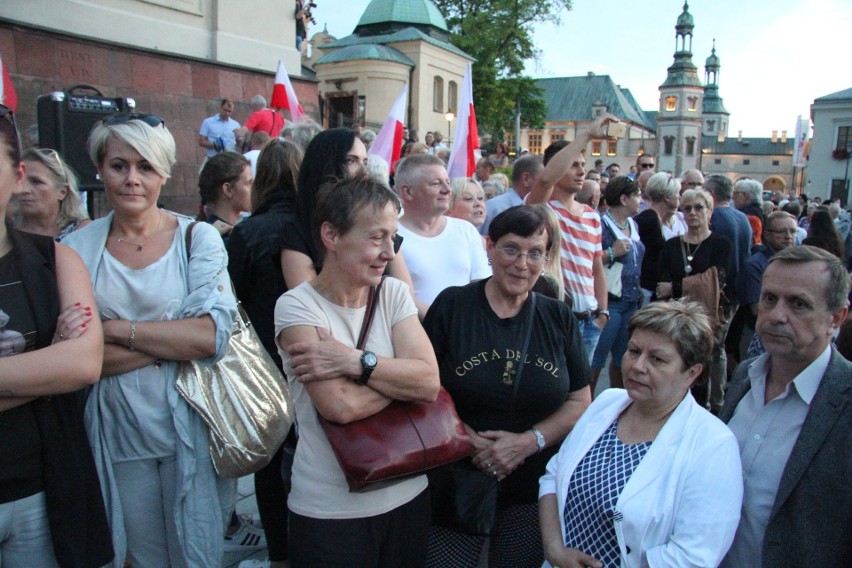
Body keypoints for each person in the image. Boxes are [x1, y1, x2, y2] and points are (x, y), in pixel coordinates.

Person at [63, 113, 237, 567]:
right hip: (119, 432)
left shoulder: (198, 239)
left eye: (146, 167)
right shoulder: (77, 248)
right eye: (119, 165)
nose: (132, 179)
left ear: (164, 172)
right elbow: (79, 360)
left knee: (197, 554)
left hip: (194, 431)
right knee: (142, 558)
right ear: (100, 169)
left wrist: (114, 331)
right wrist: (168, 335)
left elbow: (209, 336)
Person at [274, 175, 439, 566]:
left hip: (408, 493)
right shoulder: (298, 307)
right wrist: (401, 379)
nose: (388, 252)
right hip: (331, 511)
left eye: (393, 238)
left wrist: (356, 362)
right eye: (375, 237)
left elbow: (429, 383)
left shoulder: (393, 293)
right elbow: (339, 406)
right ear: (331, 236)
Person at [423, 206, 591, 568]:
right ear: (489, 247)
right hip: (459, 479)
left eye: (535, 253)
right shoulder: (452, 306)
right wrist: (470, 441)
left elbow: (580, 398)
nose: (523, 264)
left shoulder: (557, 316)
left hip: (532, 485)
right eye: (511, 249)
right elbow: (425, 389)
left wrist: (529, 442)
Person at [539, 301, 743, 568]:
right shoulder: (607, 402)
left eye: (657, 359)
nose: (637, 366)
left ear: (692, 373)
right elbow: (554, 476)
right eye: (633, 351)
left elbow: (693, 558)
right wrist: (554, 550)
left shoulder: (713, 445)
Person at [0, 104, 113, 568]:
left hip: (39, 489)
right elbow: (62, 368)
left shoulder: (57, 260)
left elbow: (83, 363)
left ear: (17, 174)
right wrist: (43, 367)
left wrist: (61, 364)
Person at [719, 245, 851, 568]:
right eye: (769, 299)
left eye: (798, 304)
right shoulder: (744, 376)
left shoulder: (844, 399)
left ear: (835, 318)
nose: (777, 315)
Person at [227, 138, 304, 568]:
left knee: (270, 464)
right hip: (310, 356)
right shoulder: (315, 222)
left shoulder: (247, 231)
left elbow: (229, 300)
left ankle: (278, 555)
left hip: (264, 365)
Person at [279, 128, 415, 295]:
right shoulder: (296, 232)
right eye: (352, 161)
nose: (364, 171)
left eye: (364, 162)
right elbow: (310, 303)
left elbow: (406, 296)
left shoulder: (381, 221)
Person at [527, 114, 616, 364]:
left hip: (590, 322)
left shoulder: (592, 215)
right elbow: (545, 179)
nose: (581, 171)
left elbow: (596, 268)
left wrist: (603, 312)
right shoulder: (542, 209)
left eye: (582, 163)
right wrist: (587, 134)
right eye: (573, 164)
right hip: (555, 318)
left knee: (580, 396)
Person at [657, 189, 733, 412]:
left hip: (707, 316)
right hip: (677, 317)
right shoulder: (672, 245)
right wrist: (691, 285)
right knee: (679, 364)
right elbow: (661, 285)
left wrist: (677, 286)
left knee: (704, 366)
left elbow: (717, 280)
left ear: (709, 211)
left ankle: (709, 409)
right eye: (687, 208)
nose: (692, 212)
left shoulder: (721, 244)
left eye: (698, 207)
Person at [395, 154, 491, 318]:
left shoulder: (466, 230)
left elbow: (484, 287)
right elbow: (398, 297)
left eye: (447, 182)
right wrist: (443, 324)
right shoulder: (391, 234)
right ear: (408, 192)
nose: (447, 190)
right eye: (436, 183)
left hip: (465, 332)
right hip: (416, 335)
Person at [591, 176, 645, 395]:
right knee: (597, 357)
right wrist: (612, 252)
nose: (641, 199)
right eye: (637, 195)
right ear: (624, 199)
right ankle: (584, 407)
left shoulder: (633, 223)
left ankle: (618, 401)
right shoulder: (600, 224)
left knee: (624, 357)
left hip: (631, 300)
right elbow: (589, 260)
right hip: (610, 300)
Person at [13, 147, 90, 240]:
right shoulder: (6, 232)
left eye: (36, 182)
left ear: (62, 192)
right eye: (20, 181)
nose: (24, 189)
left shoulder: (85, 232)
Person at [634, 172, 682, 304]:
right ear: (667, 196)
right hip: (646, 290)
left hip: (653, 290)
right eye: (677, 193)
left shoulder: (656, 219)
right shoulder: (648, 219)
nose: (679, 197)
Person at [197, 151, 252, 242]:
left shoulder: (206, 232)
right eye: (249, 183)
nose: (254, 189)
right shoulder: (225, 239)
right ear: (228, 190)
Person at [481, 154, 543, 235]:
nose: (550, 186)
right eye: (543, 180)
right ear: (526, 178)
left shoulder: (543, 209)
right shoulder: (494, 208)